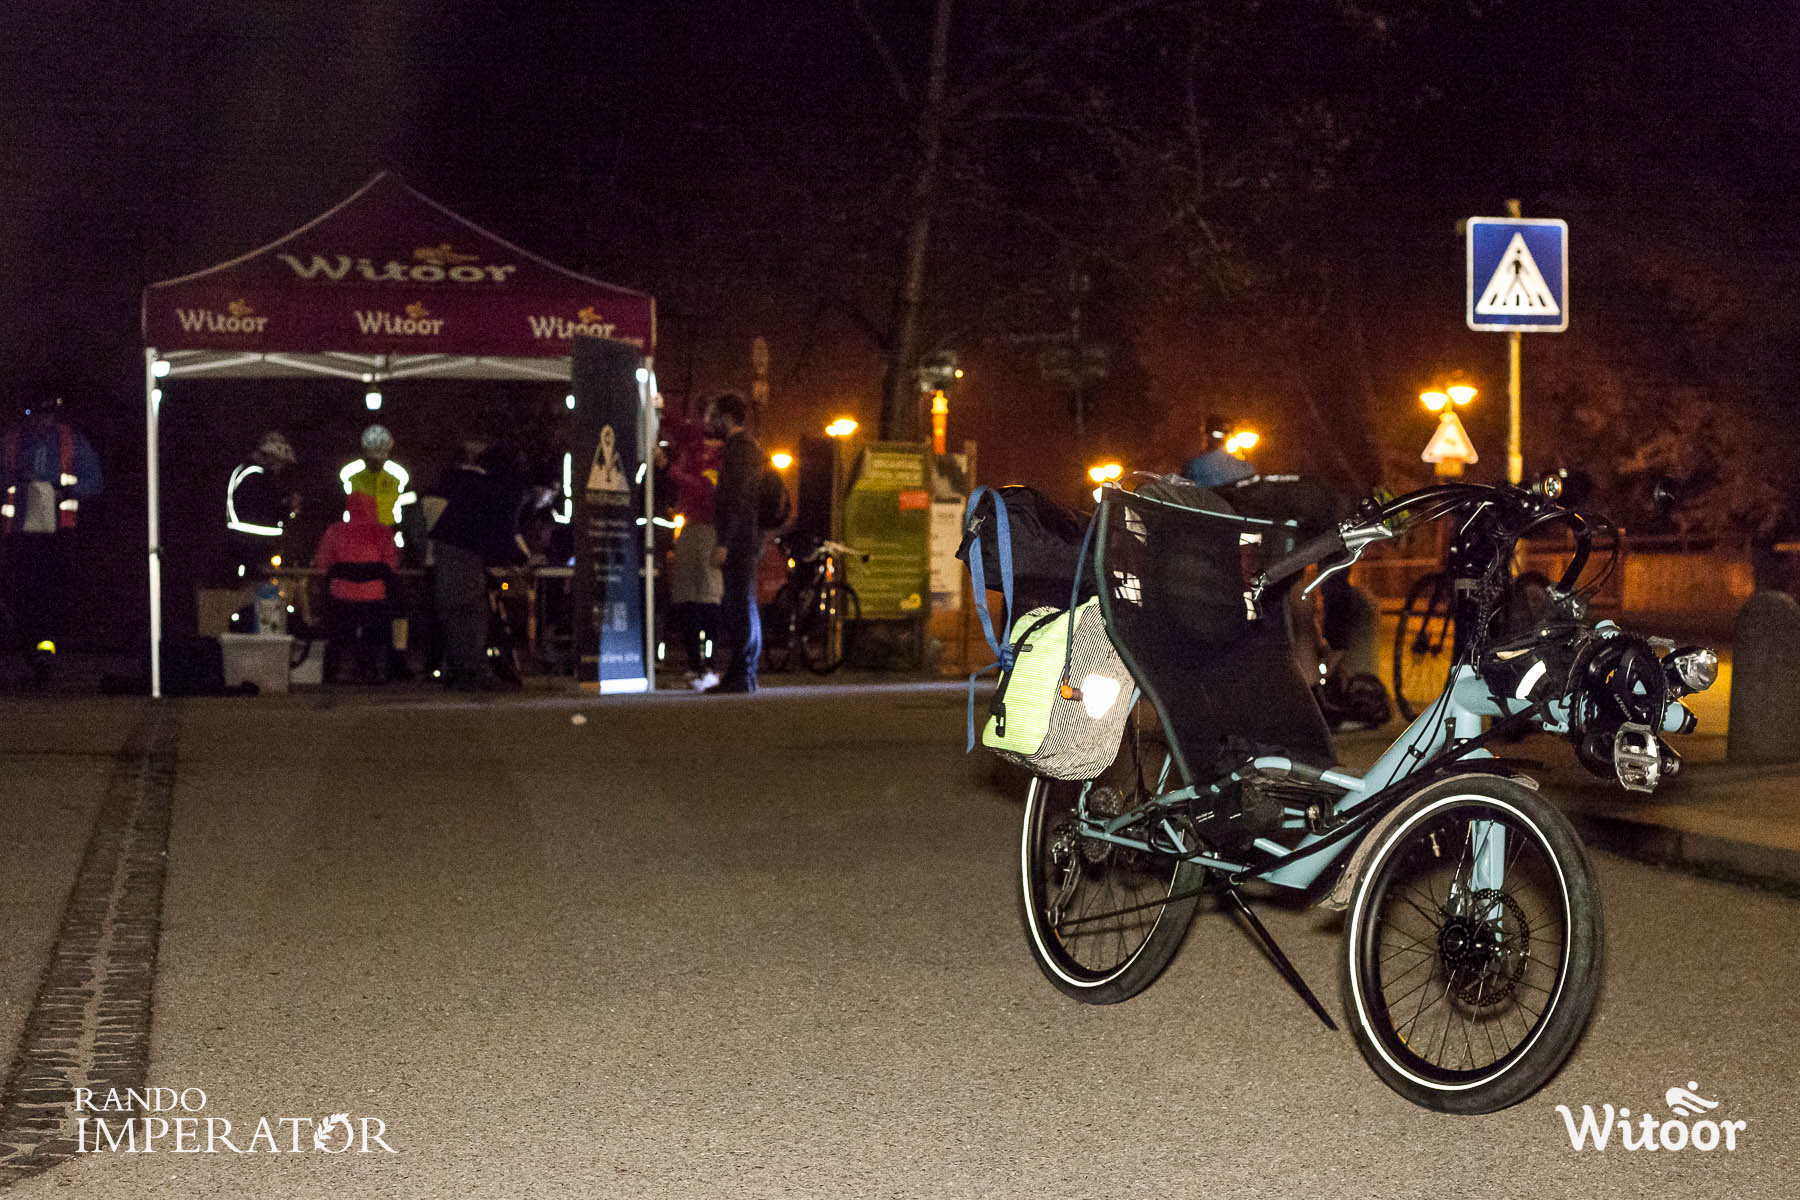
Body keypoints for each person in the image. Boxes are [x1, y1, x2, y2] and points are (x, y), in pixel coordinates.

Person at [2, 397, 102, 680]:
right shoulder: (11, 442)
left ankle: (45, 649)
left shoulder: (72, 442)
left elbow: (94, 481)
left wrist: (65, 490)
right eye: (36, 414)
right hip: (19, 533)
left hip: (58, 534)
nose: (41, 420)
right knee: (22, 592)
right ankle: (30, 646)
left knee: (51, 592)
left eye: (47, 414)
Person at [429, 431, 530, 690]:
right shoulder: (508, 488)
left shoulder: (473, 484)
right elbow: (504, 530)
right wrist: (518, 558)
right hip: (465, 551)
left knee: (455, 612)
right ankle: (475, 673)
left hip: (448, 546)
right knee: (471, 613)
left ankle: (459, 670)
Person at [702, 391, 765, 693]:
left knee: (737, 604)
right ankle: (747, 673)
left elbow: (737, 499)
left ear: (727, 418)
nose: (710, 421)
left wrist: (724, 541)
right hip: (748, 536)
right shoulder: (750, 448)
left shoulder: (739, 450)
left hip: (738, 538)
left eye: (714, 415)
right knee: (745, 602)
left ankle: (740, 674)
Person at [662, 415, 724, 690]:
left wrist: (670, 470)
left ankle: (709, 665)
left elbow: (705, 489)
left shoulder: (718, 455)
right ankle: (695, 664)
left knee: (707, 596)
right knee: (686, 596)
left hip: (707, 529)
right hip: (689, 528)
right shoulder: (693, 450)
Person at [311, 490, 398, 683]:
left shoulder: (335, 531)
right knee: (379, 621)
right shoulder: (383, 532)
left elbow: (322, 563)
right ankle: (373, 668)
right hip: (375, 599)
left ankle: (340, 668)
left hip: (341, 598)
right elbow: (391, 565)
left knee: (339, 624)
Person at [226, 431, 299, 584]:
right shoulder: (256, 477)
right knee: (253, 589)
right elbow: (268, 510)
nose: (280, 468)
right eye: (279, 462)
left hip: (246, 545)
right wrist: (288, 507)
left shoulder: (246, 473)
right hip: (251, 548)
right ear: (270, 457)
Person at [339, 424, 417, 545]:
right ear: (365, 452)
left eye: (381, 455)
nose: (376, 461)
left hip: (389, 533)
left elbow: (411, 502)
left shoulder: (399, 474)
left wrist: (401, 529)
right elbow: (341, 503)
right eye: (372, 456)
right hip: (357, 534)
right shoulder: (349, 473)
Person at [1180, 413, 1257, 488]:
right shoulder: (1246, 468)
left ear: (1207, 436)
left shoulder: (1195, 467)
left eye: (1202, 433)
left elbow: (1182, 492)